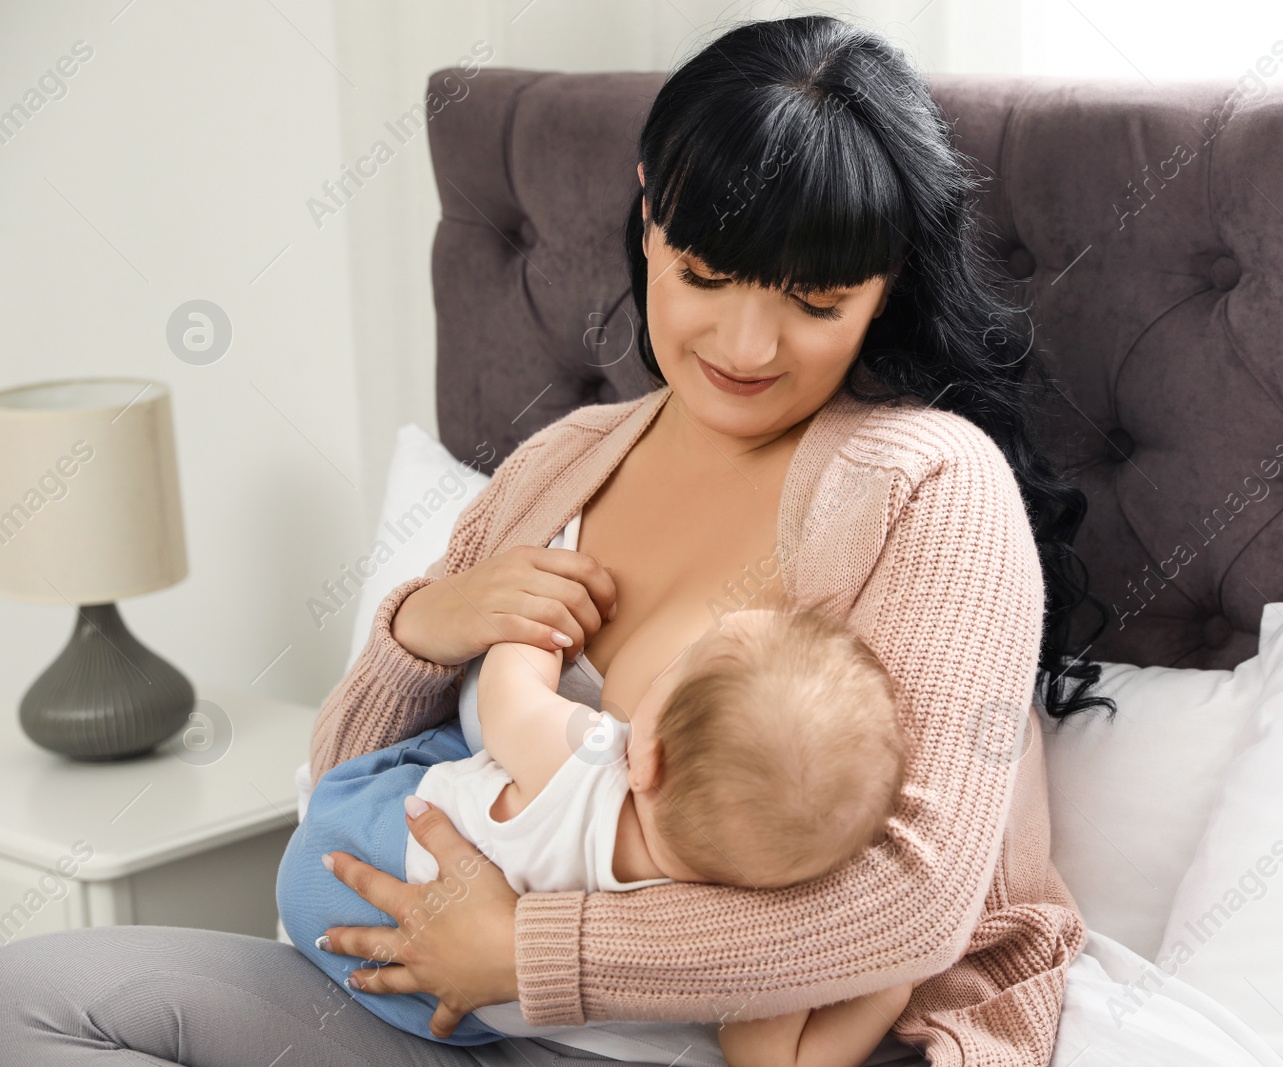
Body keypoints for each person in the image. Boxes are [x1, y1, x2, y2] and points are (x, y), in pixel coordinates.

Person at [0, 13, 1111, 1066]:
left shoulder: (927, 486)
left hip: (694, 1044)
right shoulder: (560, 460)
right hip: (442, 1018)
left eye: (815, 302)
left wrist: (530, 952)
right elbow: (342, 789)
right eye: (705, 276)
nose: (747, 341)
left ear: (887, 287)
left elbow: (914, 902)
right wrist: (422, 632)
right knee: (32, 999)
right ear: (647, 214)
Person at [278, 601, 917, 1067]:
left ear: (648, 758)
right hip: (457, 1014)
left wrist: (539, 633)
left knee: (459, 749)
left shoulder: (589, 761)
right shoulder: (737, 926)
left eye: (681, 667)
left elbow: (509, 693)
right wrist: (896, 977)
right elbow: (773, 1063)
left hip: (354, 851)